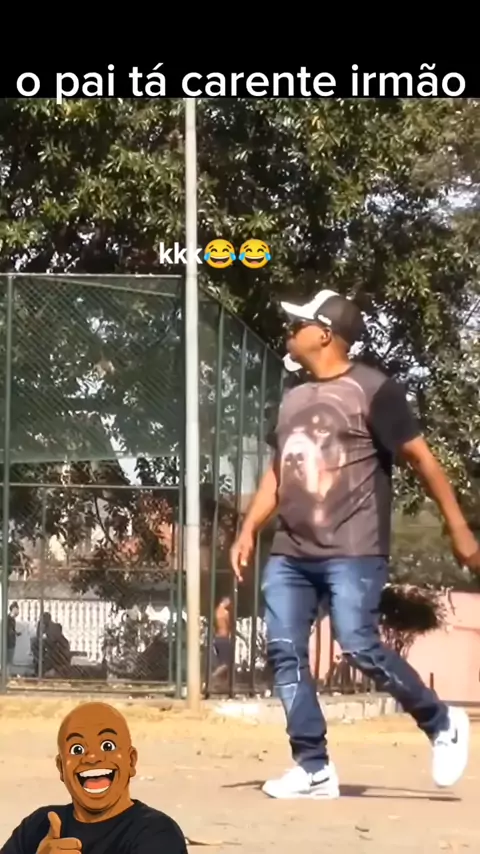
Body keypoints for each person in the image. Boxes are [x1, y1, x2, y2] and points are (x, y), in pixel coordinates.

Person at [230, 288, 480, 800]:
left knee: (358, 643)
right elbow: (278, 471)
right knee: (283, 652)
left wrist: (458, 529)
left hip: (354, 550)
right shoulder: (293, 398)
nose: (290, 330)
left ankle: (441, 722)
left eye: (300, 323)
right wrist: (249, 528)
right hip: (291, 553)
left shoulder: (374, 390)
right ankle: (313, 767)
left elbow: (422, 460)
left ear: (325, 334)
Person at [2, 701, 187, 852]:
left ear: (131, 761)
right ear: (61, 768)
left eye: (107, 746)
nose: (92, 757)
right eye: (77, 749)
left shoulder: (157, 833)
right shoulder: (39, 825)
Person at [212, 596, 232, 680]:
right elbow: (229, 625)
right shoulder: (225, 613)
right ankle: (211, 677)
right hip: (224, 638)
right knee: (226, 663)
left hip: (217, 638)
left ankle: (220, 682)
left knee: (221, 662)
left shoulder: (215, 612)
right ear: (225, 601)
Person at [7, 602, 20, 670]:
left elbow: (12, 630)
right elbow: (9, 631)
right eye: (17, 609)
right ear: (13, 609)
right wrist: (15, 633)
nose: (18, 611)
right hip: (9, 642)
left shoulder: (12, 619)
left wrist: (16, 633)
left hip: (11, 642)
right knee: (9, 661)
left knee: (10, 660)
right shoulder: (8, 619)